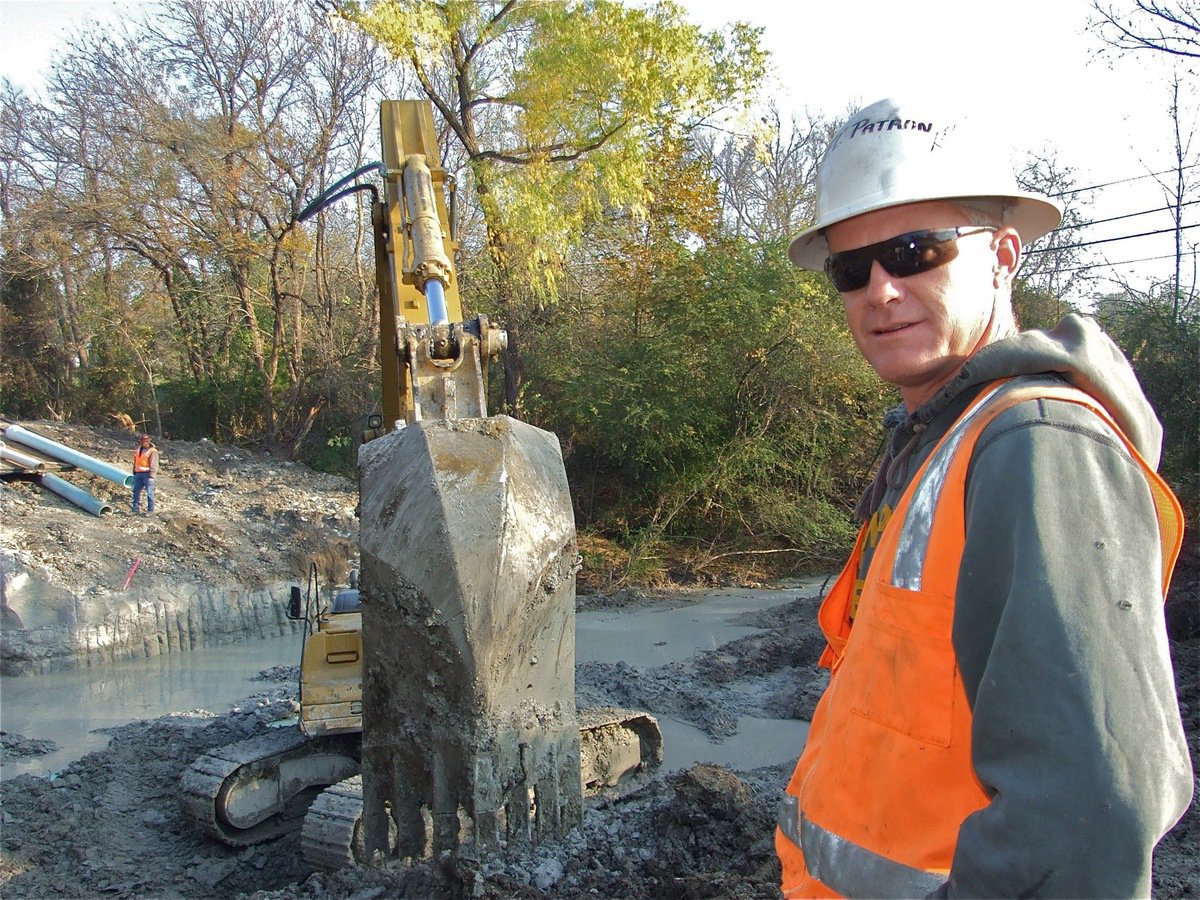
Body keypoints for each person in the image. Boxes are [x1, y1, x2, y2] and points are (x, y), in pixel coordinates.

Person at [775, 97, 1190, 898]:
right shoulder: (939, 442)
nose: (882, 291)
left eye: (915, 251)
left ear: (1003, 254)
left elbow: (1090, 814)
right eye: (852, 270)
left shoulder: (1033, 445)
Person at [132, 433, 159, 514]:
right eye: (141, 441)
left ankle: (150, 510)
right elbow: (136, 461)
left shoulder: (152, 451)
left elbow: (154, 464)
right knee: (136, 491)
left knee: (150, 493)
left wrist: (152, 475)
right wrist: (134, 471)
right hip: (138, 473)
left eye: (143, 442)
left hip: (147, 474)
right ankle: (135, 509)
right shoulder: (139, 449)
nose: (142, 443)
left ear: (147, 441)